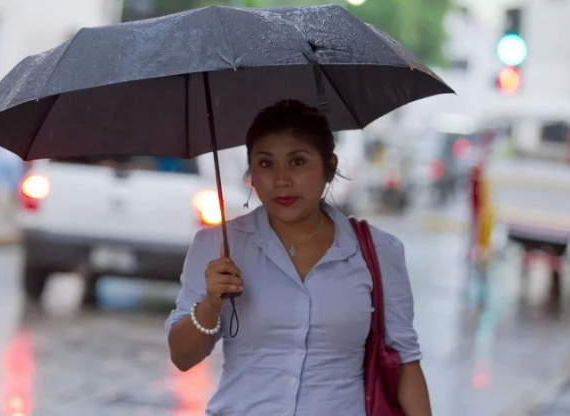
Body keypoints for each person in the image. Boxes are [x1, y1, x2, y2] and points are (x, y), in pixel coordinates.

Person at [166, 100, 432, 416]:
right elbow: (182, 357)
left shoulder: (379, 251)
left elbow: (404, 363)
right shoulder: (218, 245)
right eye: (265, 164)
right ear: (250, 171)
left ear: (330, 166)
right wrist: (211, 304)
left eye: (297, 162)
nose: (281, 180)